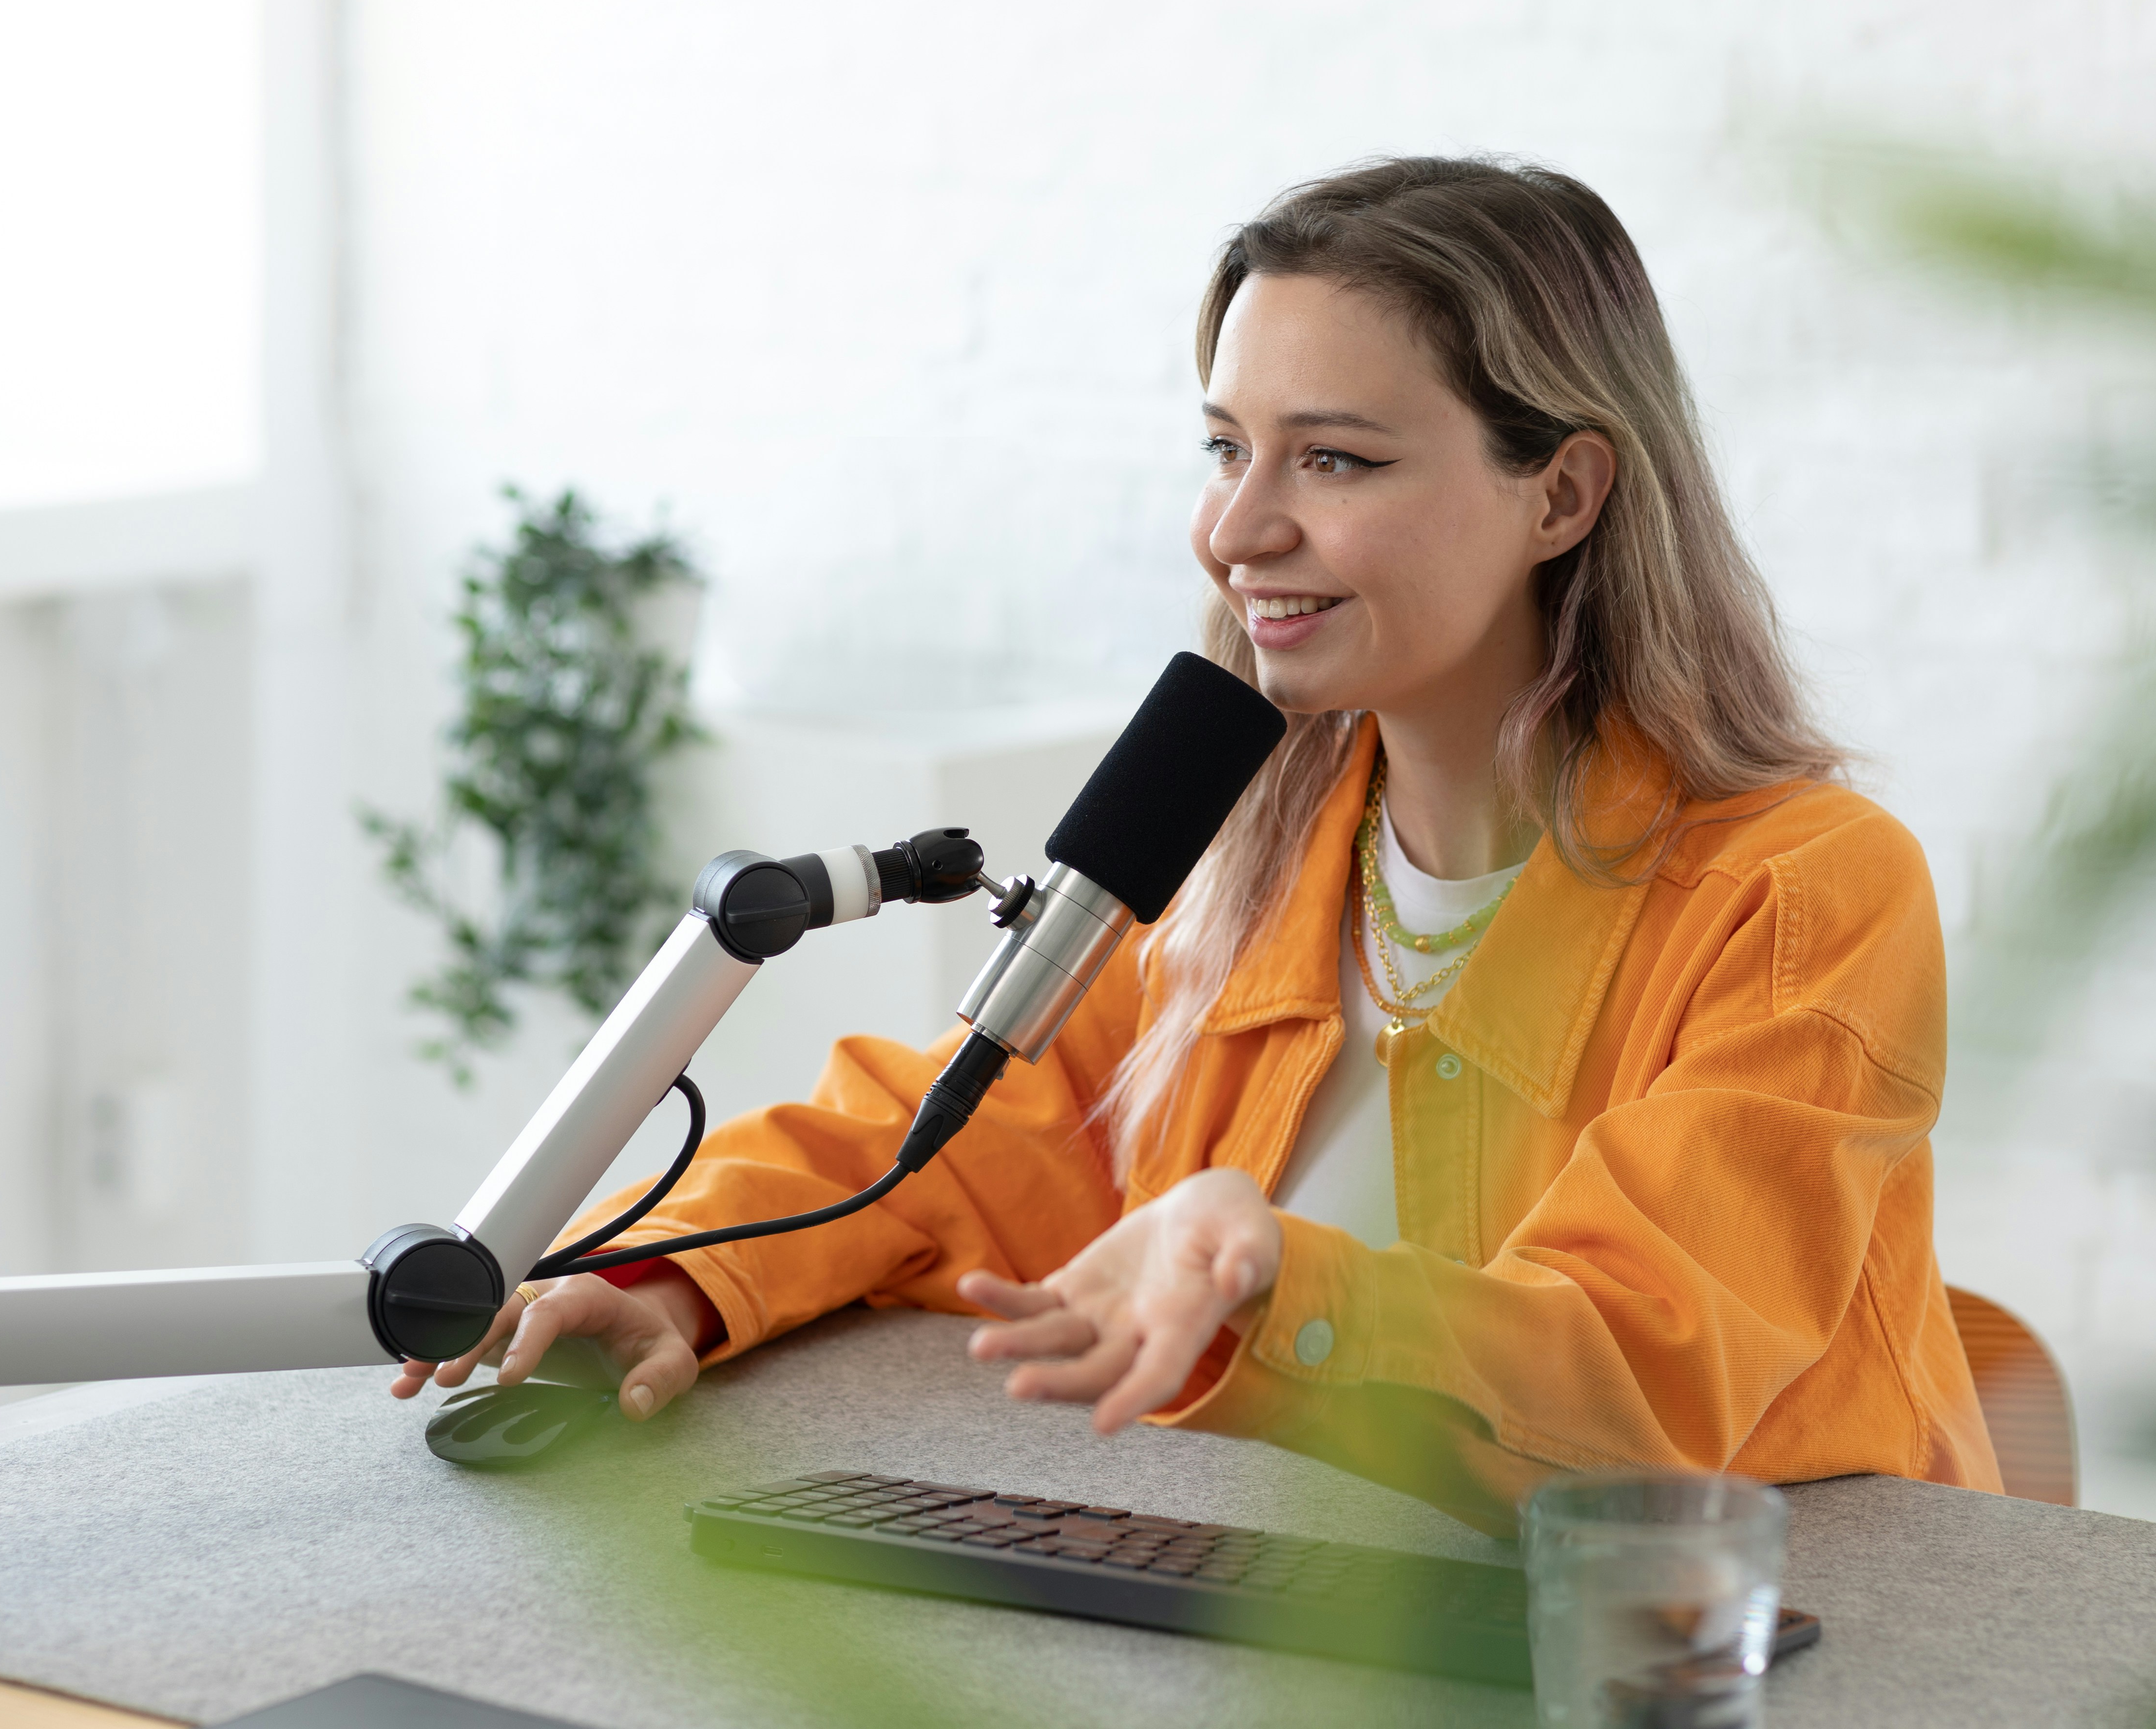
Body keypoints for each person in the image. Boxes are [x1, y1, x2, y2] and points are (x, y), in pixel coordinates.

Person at [393, 156, 2002, 1531]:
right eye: (1228, 446)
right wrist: (680, 1278)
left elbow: (1647, 1367)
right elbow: (954, 1147)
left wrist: (1268, 1268)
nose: (1237, 532)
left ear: (1564, 494)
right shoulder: (1256, 856)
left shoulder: (1803, 893)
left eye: (1337, 459)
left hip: (1714, 1642)